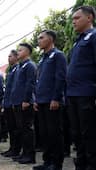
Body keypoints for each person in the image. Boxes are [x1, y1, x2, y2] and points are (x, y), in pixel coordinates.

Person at [66, 6, 96, 170]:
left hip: (87, 93)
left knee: (89, 134)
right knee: (77, 134)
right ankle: (82, 164)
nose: (73, 22)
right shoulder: (78, 41)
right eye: (72, 19)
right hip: (73, 94)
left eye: (77, 18)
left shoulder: (93, 36)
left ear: (89, 18)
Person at [33, 30, 67, 170]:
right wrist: (36, 99)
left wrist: (56, 98)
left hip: (52, 101)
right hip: (41, 100)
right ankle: (47, 162)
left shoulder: (58, 55)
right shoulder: (42, 58)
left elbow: (60, 78)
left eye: (42, 38)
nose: (38, 40)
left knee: (54, 132)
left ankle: (56, 163)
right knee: (44, 133)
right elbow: (38, 81)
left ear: (51, 39)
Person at [11, 43, 36, 164]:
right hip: (17, 102)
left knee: (27, 130)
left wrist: (26, 100)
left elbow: (30, 84)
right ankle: (24, 153)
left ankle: (30, 155)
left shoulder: (29, 65)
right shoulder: (21, 67)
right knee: (21, 129)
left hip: (25, 102)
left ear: (27, 52)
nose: (18, 52)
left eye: (20, 50)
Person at [0, 50, 20, 158]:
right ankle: (12, 148)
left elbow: (15, 88)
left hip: (13, 102)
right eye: (8, 56)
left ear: (17, 57)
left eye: (10, 56)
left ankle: (16, 149)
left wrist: (13, 101)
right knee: (11, 128)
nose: (9, 58)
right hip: (7, 102)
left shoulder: (18, 69)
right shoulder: (11, 70)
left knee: (16, 128)